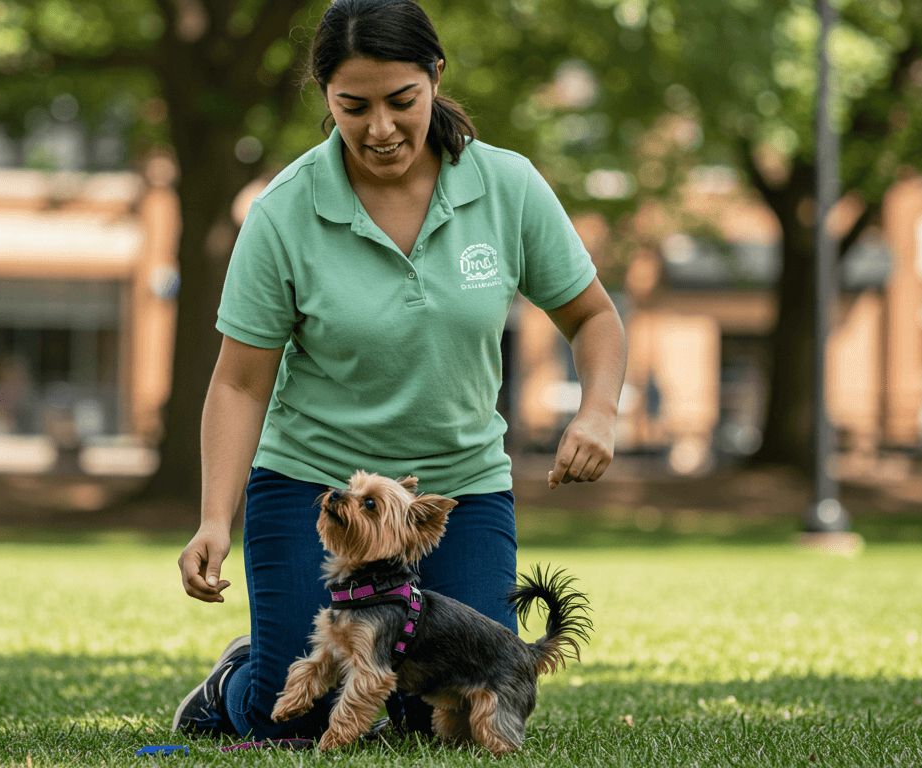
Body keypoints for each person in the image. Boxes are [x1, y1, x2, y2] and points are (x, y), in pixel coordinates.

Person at [173, 0, 627, 742]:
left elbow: (594, 317)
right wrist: (213, 519)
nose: (380, 128)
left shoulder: (507, 187)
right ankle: (238, 679)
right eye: (353, 106)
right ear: (324, 96)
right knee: (295, 714)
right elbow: (239, 382)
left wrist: (599, 410)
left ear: (435, 77)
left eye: (401, 101)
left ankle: (295, 660)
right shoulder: (284, 212)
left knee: (438, 707)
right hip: (315, 484)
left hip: (458, 489)